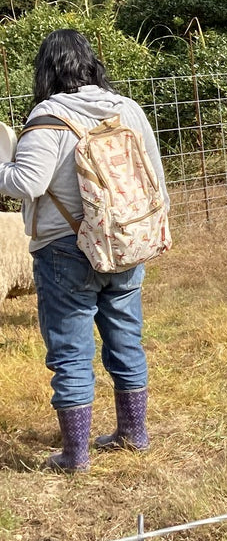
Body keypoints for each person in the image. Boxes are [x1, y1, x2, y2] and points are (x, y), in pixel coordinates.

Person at [0, 29, 169, 473]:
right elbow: (154, 175)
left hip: (65, 249)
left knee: (71, 352)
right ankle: (134, 433)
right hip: (124, 242)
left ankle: (75, 455)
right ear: (92, 64)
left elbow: (25, 183)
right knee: (126, 339)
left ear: (46, 71)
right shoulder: (127, 108)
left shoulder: (48, 118)